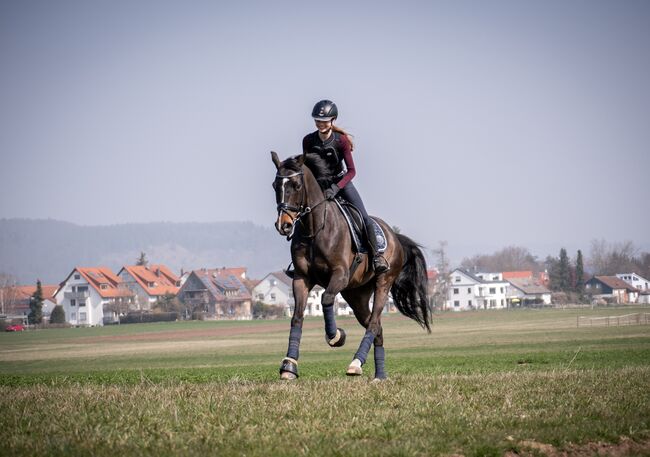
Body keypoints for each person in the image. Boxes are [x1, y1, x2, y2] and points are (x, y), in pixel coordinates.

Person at [302, 99, 389, 273]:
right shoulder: (308, 141)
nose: (321, 124)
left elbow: (351, 171)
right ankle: (300, 260)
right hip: (319, 187)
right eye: (318, 121)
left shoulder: (341, 141)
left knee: (364, 218)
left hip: (342, 183)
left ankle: (377, 257)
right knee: (303, 217)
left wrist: (336, 188)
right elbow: (307, 169)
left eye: (325, 121)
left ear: (332, 120)